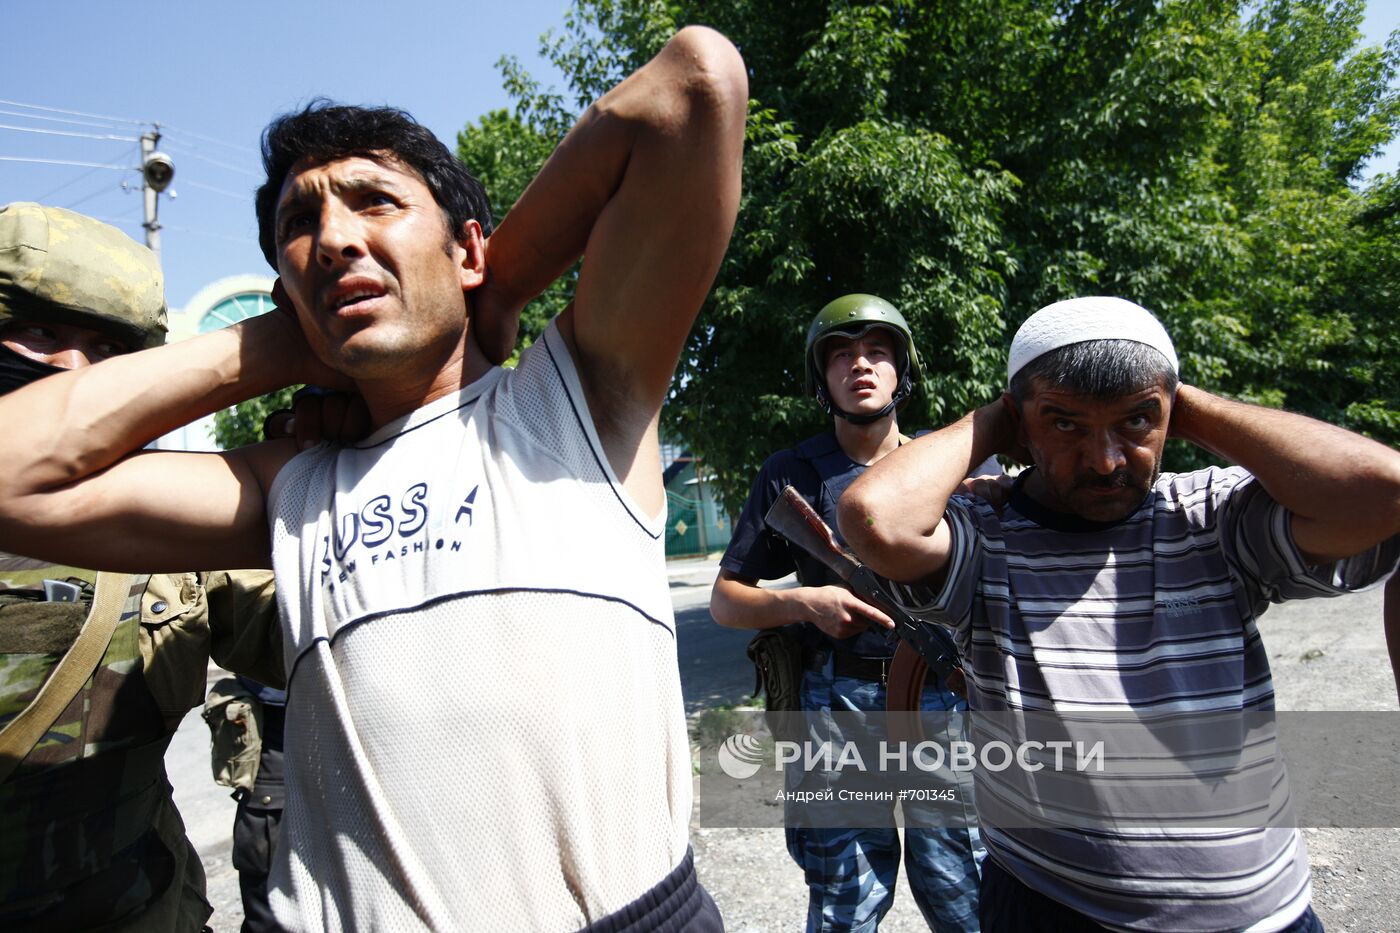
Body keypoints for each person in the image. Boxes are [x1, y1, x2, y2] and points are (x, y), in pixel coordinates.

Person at [0, 26, 747, 932]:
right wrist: (285, 339)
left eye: (373, 201)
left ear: (466, 248)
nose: (334, 238)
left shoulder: (577, 400)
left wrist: (500, 290)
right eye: (298, 227)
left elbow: (694, 83)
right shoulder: (291, 482)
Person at [838, 296, 1400, 932]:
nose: (1105, 461)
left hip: (1265, 917)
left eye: (1137, 422)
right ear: (1021, 425)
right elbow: (876, 518)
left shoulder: (1211, 517)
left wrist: (1182, 400)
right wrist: (1005, 417)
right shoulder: (987, 535)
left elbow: (1384, 492)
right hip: (1051, 906)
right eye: (1066, 424)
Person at [0, 202, 282, 931]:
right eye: (41, 333)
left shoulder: (166, 519)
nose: (71, 367)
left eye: (103, 349)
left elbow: (309, 634)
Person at [711, 294, 987, 932]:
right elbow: (727, 601)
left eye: (877, 352)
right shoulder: (792, 473)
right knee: (844, 900)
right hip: (837, 704)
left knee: (964, 891)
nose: (860, 366)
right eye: (841, 354)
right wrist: (805, 602)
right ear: (821, 378)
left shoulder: (947, 468)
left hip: (941, 702)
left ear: (901, 370)